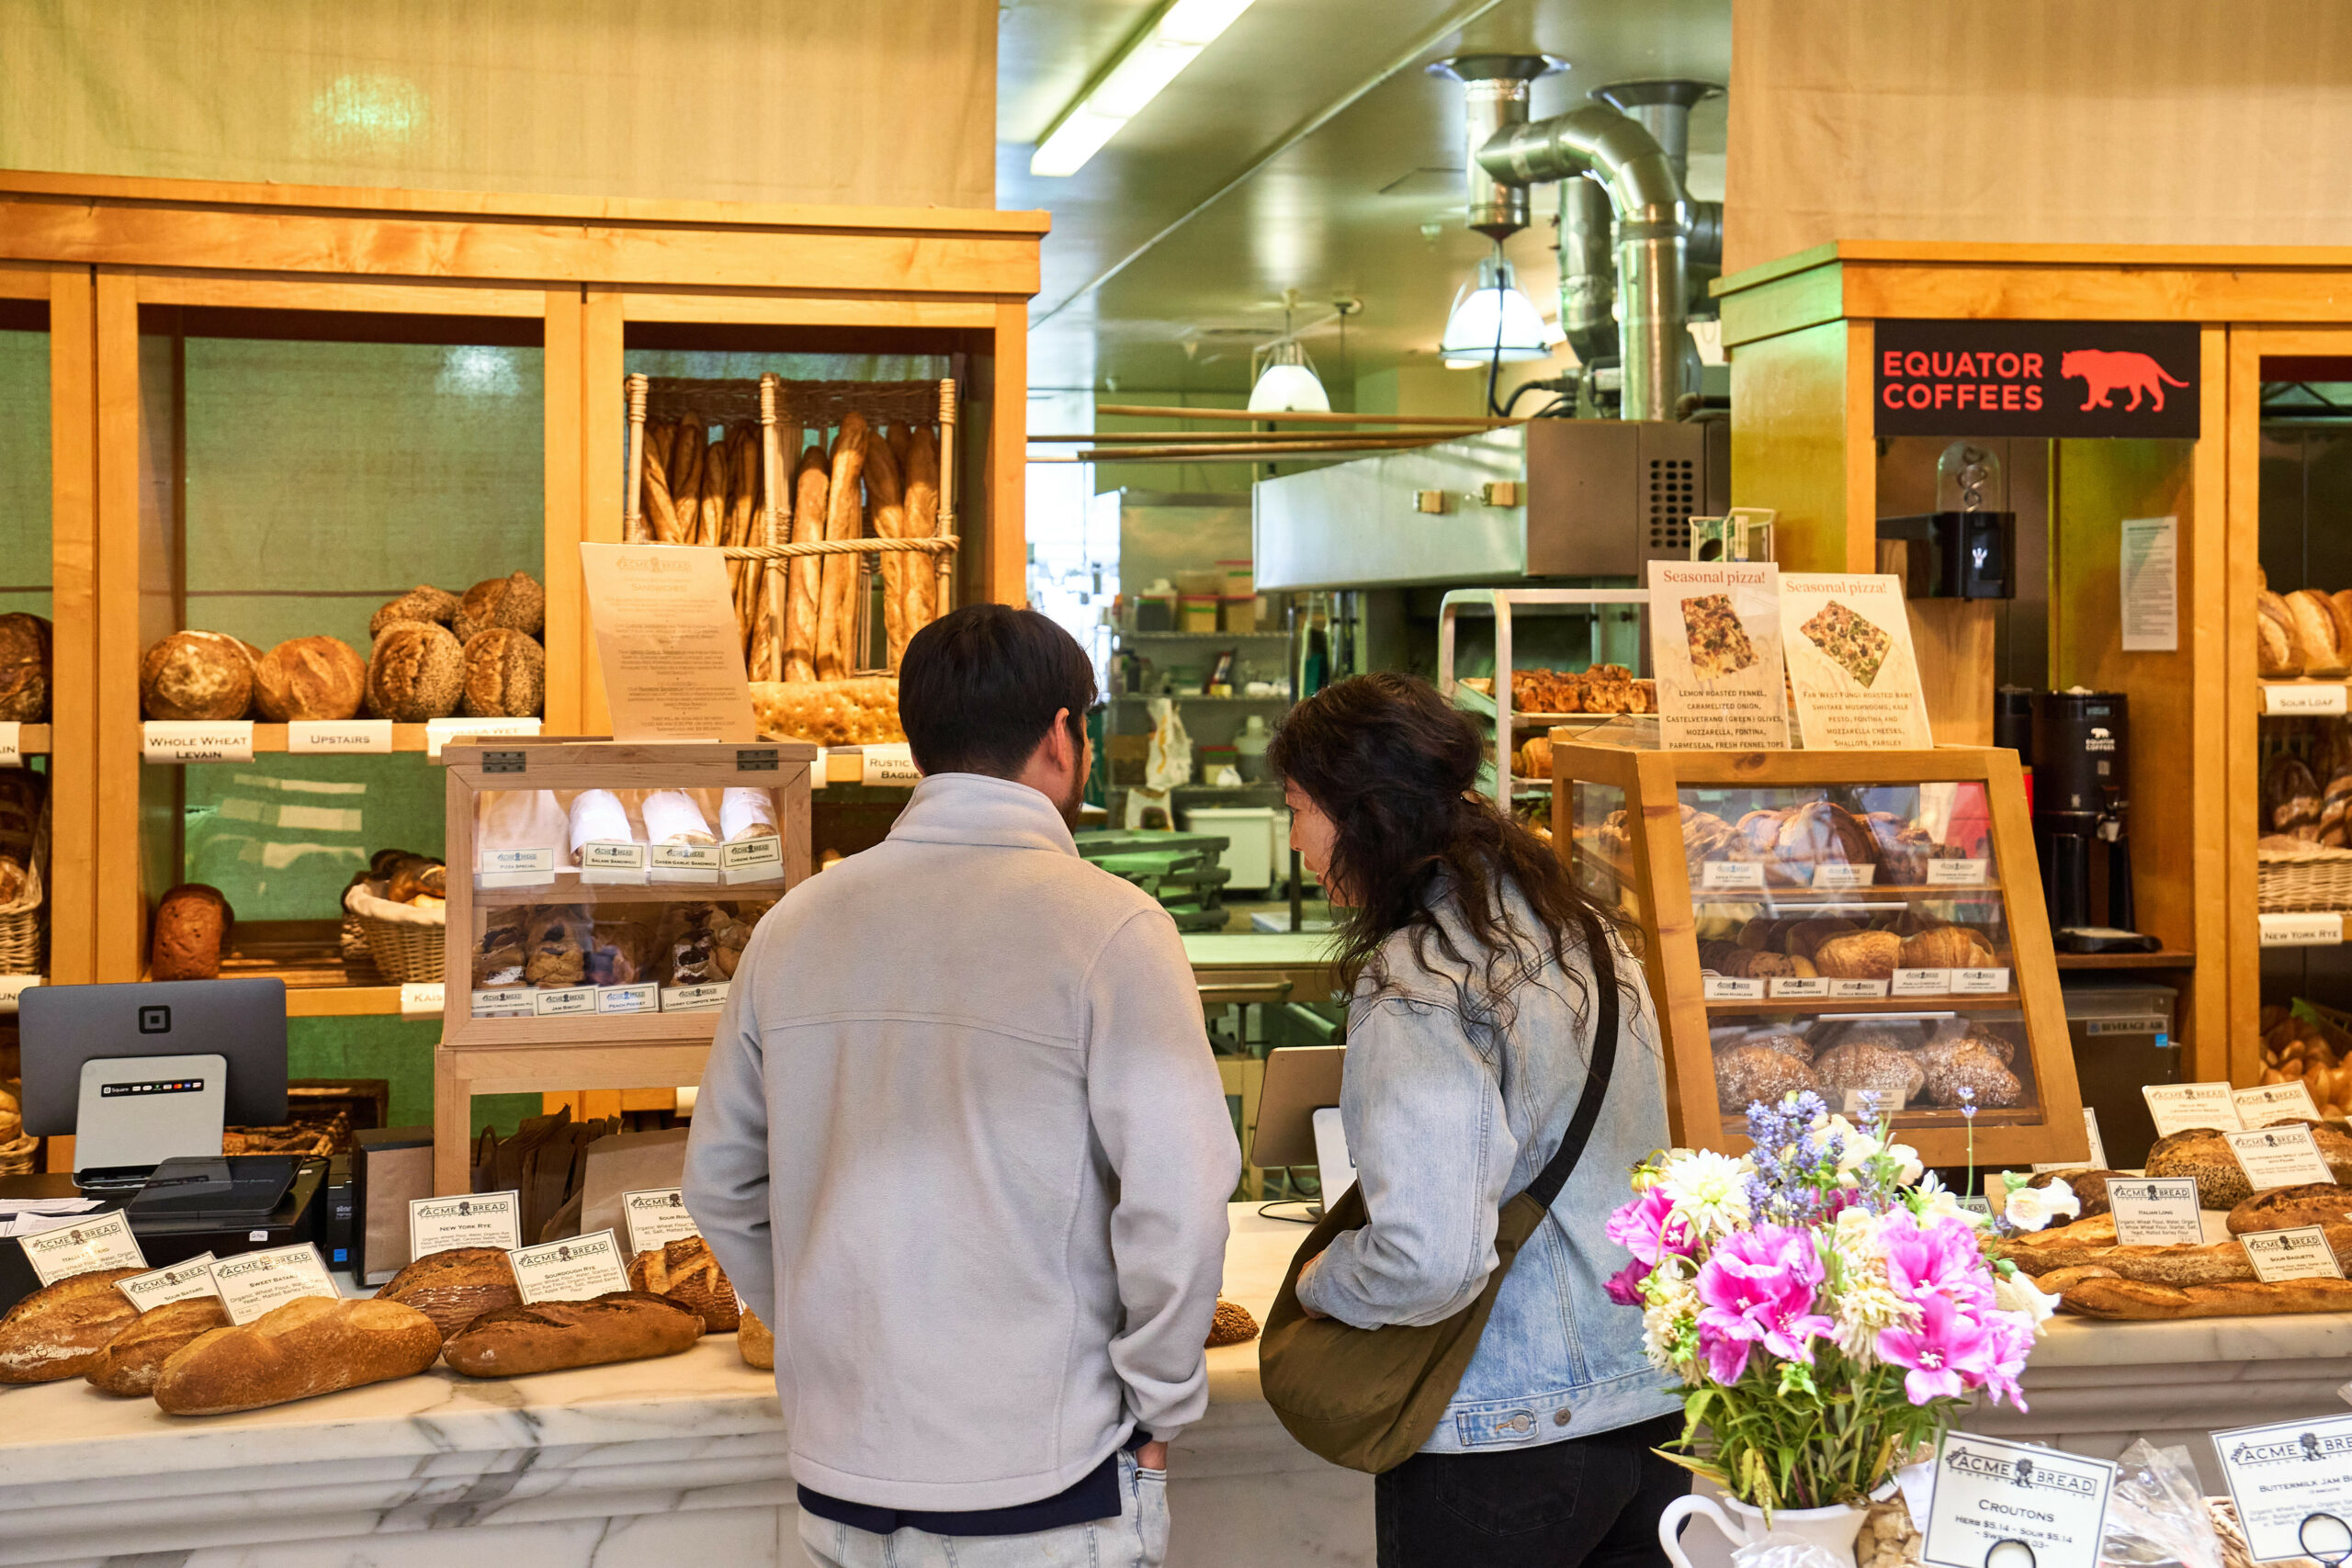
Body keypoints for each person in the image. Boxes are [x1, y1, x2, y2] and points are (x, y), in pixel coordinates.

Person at [685, 603, 1240, 1568]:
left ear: (917, 742)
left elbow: (720, 1186)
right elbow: (1179, 1206)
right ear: (1065, 735)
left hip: (841, 1473)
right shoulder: (1112, 928)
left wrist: (823, 1332)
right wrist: (1158, 1405)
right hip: (1049, 1479)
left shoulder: (795, 926)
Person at [1273, 672, 1685, 1568]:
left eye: (1300, 809)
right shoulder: (1589, 933)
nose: (1297, 840)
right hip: (1649, 1414)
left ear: (1363, 816)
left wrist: (1319, 1279)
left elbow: (1427, 1259)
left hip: (1507, 1435)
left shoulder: (1421, 976)